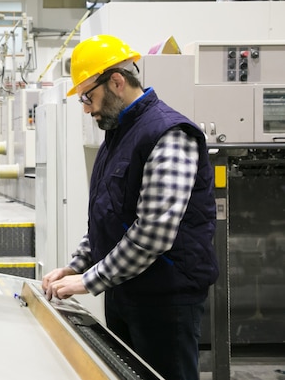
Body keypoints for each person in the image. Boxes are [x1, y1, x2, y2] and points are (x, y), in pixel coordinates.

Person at [42, 35, 219, 380]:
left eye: (88, 97)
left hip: (165, 299)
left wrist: (88, 281)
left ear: (117, 82)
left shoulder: (168, 134)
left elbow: (153, 233)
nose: (86, 108)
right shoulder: (119, 134)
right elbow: (110, 216)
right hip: (127, 291)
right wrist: (76, 266)